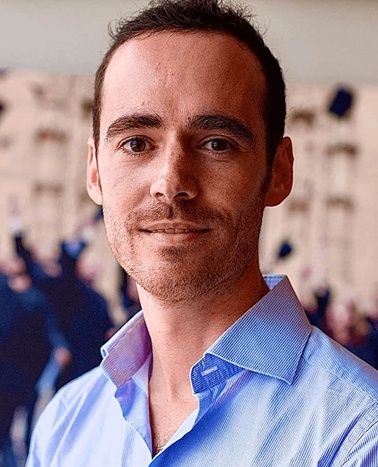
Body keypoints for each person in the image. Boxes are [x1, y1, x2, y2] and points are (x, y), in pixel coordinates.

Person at [27, 1, 378, 465]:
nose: (171, 183)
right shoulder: (64, 426)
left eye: (217, 144)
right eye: (136, 143)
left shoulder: (356, 432)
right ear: (94, 171)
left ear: (278, 172)